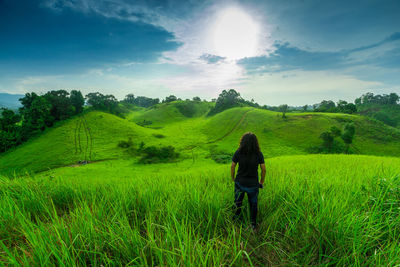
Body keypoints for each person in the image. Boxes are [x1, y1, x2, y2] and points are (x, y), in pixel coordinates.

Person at [231, 132, 266, 229]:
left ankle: (236, 221)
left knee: (237, 202)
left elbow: (233, 166)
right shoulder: (259, 153)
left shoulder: (238, 152)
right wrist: (261, 182)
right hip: (253, 184)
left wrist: (233, 178)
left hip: (240, 182)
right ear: (255, 142)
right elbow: (263, 169)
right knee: (253, 204)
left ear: (243, 141)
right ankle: (253, 224)